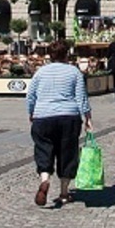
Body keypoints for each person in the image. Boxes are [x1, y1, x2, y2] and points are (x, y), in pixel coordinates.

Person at [27, 40, 92, 207]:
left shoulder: (40, 72)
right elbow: (81, 97)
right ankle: (64, 193)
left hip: (43, 116)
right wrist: (88, 117)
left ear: (50, 55)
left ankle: (45, 179)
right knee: (67, 152)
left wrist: (32, 112)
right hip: (68, 116)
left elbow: (30, 95)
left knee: (43, 149)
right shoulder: (74, 72)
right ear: (66, 54)